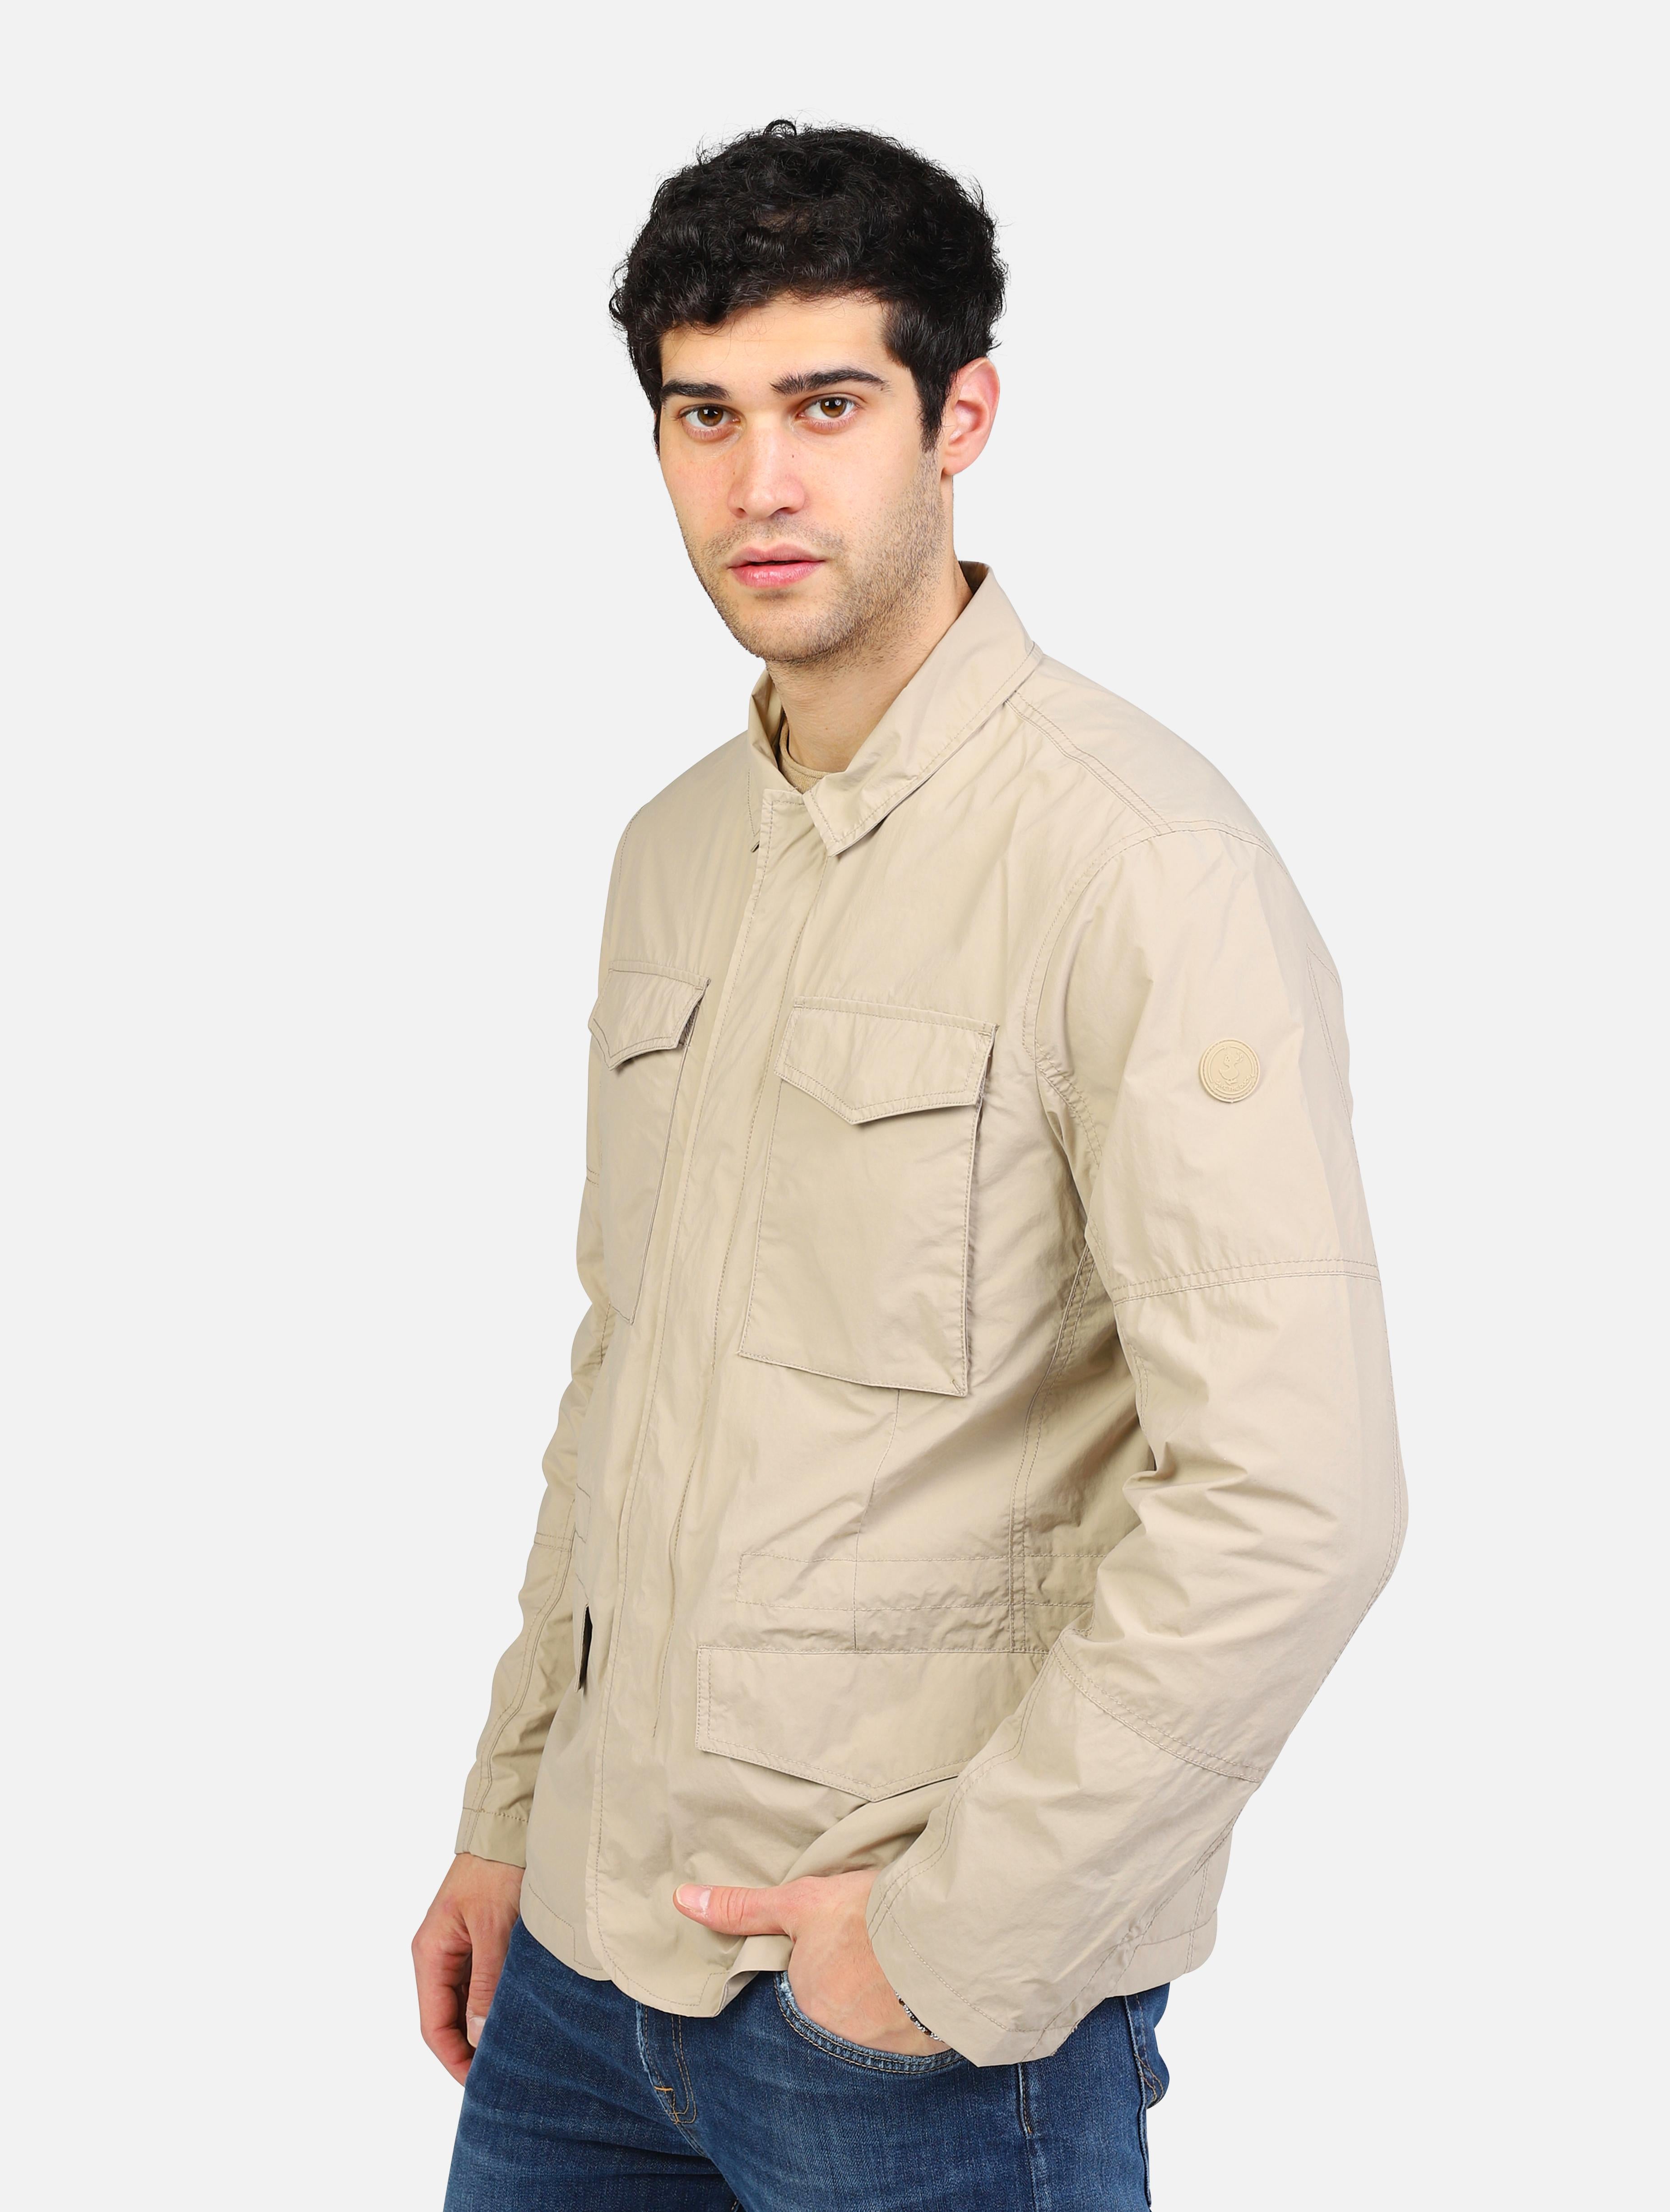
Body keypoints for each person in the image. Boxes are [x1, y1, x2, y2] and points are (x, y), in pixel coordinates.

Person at [413, 119, 1405, 2211]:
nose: (758, 483)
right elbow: (621, 1377)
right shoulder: (673, 851)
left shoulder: (1140, 863)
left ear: (962, 419)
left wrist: (946, 1944)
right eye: (703, 416)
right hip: (582, 1984)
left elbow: (1294, 1496)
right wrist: (510, 1814)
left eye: (826, 404)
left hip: (912, 2039)